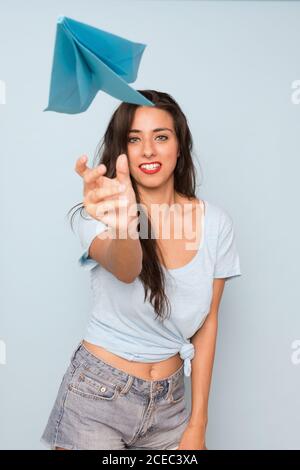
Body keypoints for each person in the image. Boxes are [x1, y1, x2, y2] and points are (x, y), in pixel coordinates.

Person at [40, 90, 242, 450]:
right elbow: (125, 268)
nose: (148, 150)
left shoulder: (216, 224)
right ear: (122, 152)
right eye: (134, 139)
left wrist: (198, 424)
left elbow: (208, 322)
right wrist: (123, 224)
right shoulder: (97, 214)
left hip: (171, 407)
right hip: (96, 398)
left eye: (161, 137)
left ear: (180, 147)